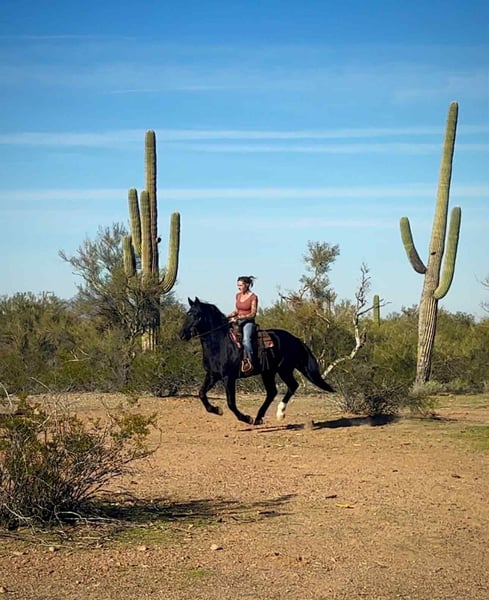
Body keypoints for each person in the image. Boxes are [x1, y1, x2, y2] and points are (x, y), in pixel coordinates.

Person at [228, 275, 258, 372]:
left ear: (247, 285)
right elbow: (237, 310)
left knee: (246, 340)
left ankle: (250, 361)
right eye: (238, 285)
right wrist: (228, 316)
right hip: (237, 321)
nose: (239, 287)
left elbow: (253, 314)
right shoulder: (238, 295)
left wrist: (238, 318)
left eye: (241, 285)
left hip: (248, 322)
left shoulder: (253, 297)